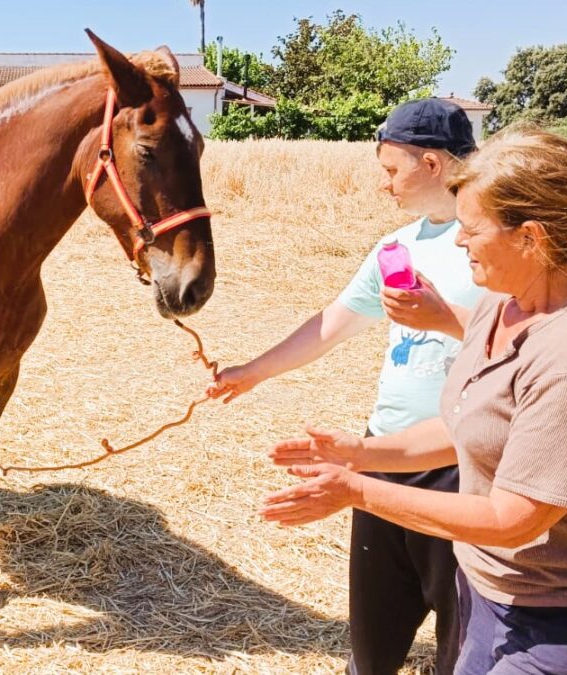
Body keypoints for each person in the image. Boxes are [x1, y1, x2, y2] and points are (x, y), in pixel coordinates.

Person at [262, 126, 567, 675]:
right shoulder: (503, 302)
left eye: (471, 229)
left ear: (530, 238)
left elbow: (515, 518)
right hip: (489, 594)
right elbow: (469, 423)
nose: (460, 242)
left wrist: (358, 492)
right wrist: (361, 454)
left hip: (557, 621)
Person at [208, 98, 483, 675]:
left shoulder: (489, 244)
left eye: (391, 169)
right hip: (380, 452)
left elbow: (526, 339)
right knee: (374, 637)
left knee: (463, 642)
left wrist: (444, 316)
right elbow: (335, 321)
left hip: (464, 465)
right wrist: (252, 371)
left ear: (432, 164)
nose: (384, 185)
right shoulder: (395, 247)